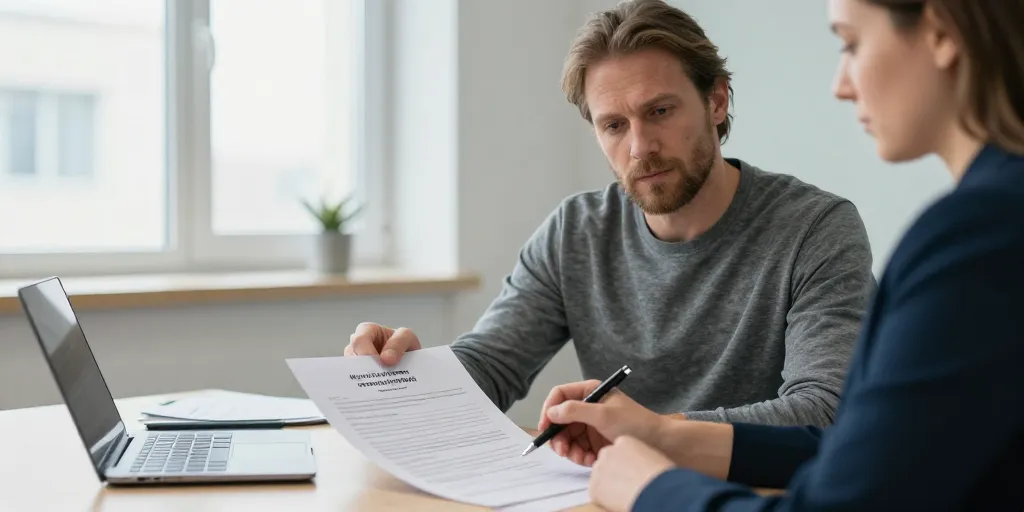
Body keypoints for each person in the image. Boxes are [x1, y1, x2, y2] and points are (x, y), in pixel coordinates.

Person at [538, 0, 1024, 510]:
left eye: (851, 43)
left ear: (941, 34)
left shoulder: (978, 237)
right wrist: (662, 436)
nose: (841, 85)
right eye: (613, 124)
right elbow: (870, 455)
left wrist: (652, 490)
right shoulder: (986, 223)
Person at [344, 0, 876, 427]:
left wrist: (648, 433)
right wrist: (400, 375)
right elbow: (491, 366)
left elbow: (824, 411)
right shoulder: (577, 232)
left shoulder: (814, 230)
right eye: (614, 125)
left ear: (716, 102)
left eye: (659, 111)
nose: (640, 147)